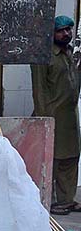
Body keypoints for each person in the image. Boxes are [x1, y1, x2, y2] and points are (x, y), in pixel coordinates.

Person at [31, 15, 81, 215]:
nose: (66, 33)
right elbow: (39, 90)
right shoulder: (43, 56)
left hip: (69, 116)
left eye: (69, 29)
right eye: (61, 30)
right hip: (52, 114)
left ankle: (66, 199)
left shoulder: (70, 53)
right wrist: (44, 120)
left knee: (71, 157)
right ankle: (49, 201)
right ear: (51, 33)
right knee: (53, 158)